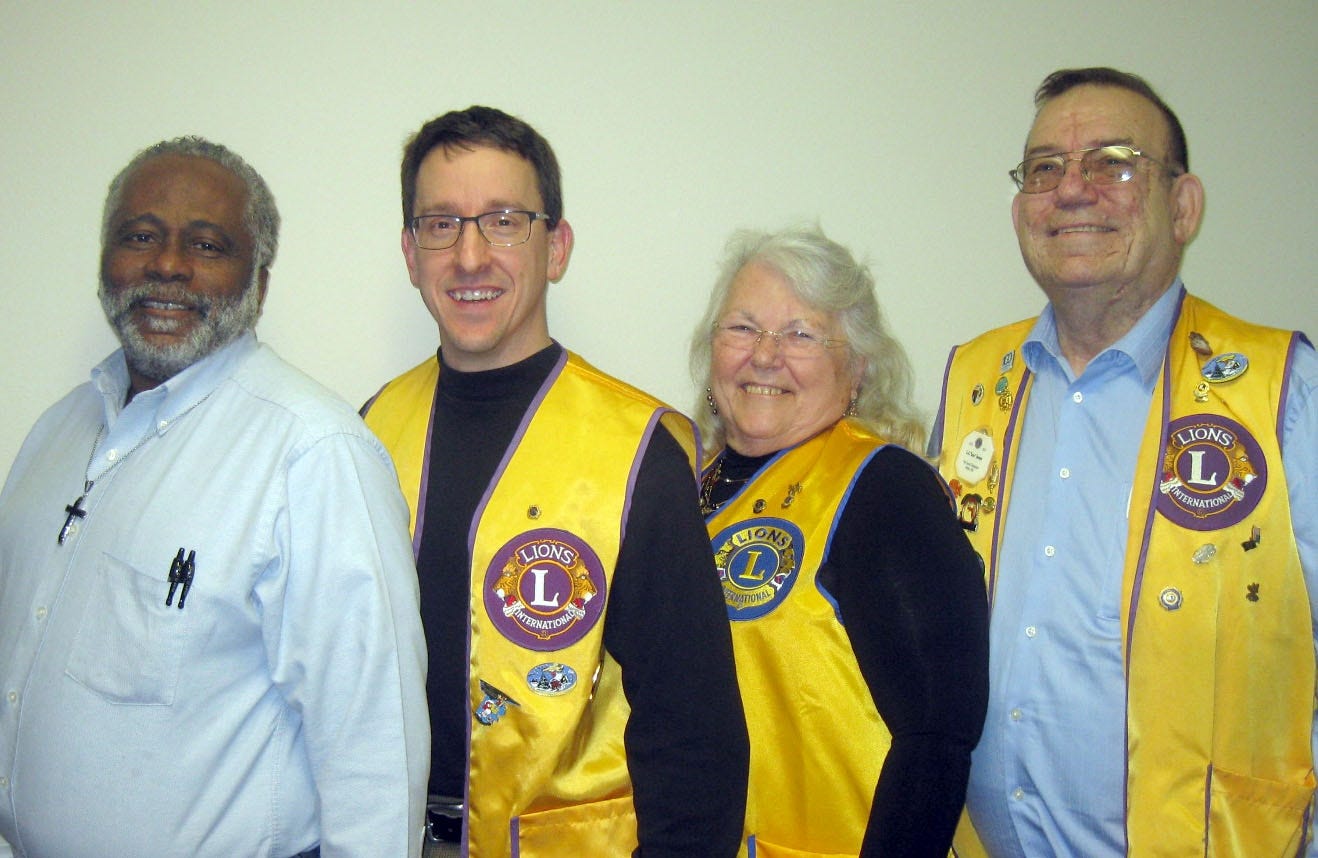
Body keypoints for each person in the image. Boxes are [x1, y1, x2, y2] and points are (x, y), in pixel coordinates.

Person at [0, 137, 429, 858]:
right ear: (106, 259)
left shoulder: (311, 454)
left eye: (207, 244)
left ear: (258, 286)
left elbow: (373, 752)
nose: (167, 265)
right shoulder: (55, 433)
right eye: (141, 236)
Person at [931, 67, 1318, 856]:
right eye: (1046, 169)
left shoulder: (1284, 391)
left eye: (1113, 161)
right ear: (1020, 209)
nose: (1073, 190)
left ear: (1183, 207)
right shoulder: (973, 379)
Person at [360, 106, 749, 857]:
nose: (470, 255)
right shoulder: (367, 432)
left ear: (556, 246)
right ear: (411, 253)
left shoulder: (637, 451)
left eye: (504, 220)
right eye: (441, 224)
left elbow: (694, 738)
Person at [690, 225, 989, 856]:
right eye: (742, 328)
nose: (765, 356)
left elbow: (937, 734)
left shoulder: (885, 490)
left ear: (855, 367)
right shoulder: (679, 488)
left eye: (800, 334)